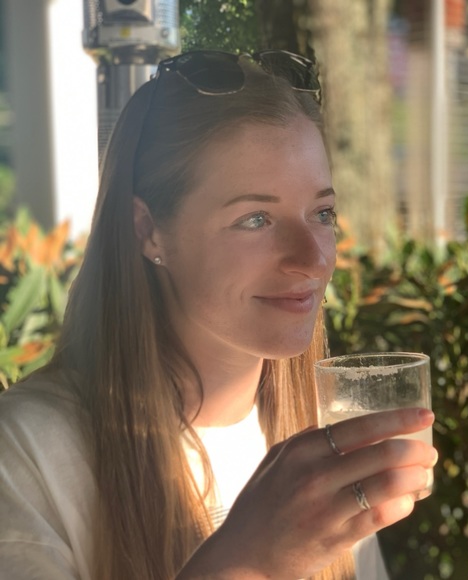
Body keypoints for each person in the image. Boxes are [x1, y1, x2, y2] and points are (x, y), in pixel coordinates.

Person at [0, 50, 437, 580]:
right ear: (148, 231)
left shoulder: (320, 431)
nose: (313, 258)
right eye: (255, 218)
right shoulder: (24, 454)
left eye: (322, 213)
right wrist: (250, 561)